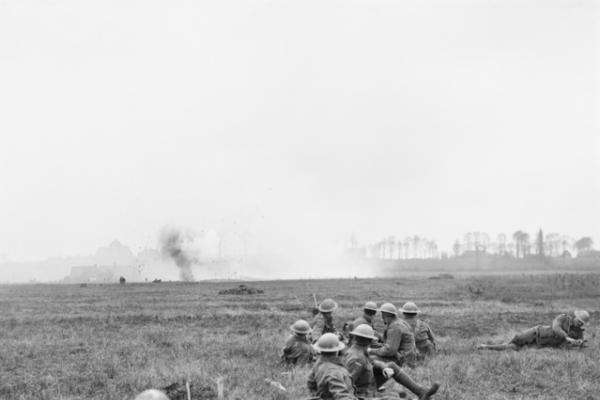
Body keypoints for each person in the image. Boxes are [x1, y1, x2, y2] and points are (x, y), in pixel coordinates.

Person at [344, 324, 440, 400]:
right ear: (369, 341)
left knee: (390, 366)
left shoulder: (358, 351)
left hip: (368, 387)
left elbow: (372, 362)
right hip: (363, 394)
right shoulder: (357, 359)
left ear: (356, 338)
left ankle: (421, 392)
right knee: (396, 396)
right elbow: (346, 385)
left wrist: (383, 367)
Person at [477, 310, 590, 351]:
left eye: (581, 323)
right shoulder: (563, 318)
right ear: (575, 317)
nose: (579, 323)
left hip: (539, 344)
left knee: (513, 349)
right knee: (515, 342)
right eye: (579, 320)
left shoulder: (579, 332)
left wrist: (580, 344)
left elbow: (580, 344)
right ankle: (486, 346)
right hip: (536, 333)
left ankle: (486, 347)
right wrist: (567, 337)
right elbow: (556, 327)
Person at [307, 333, 357, 400]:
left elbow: (310, 383)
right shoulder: (334, 371)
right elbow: (342, 397)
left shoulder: (318, 364)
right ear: (337, 350)